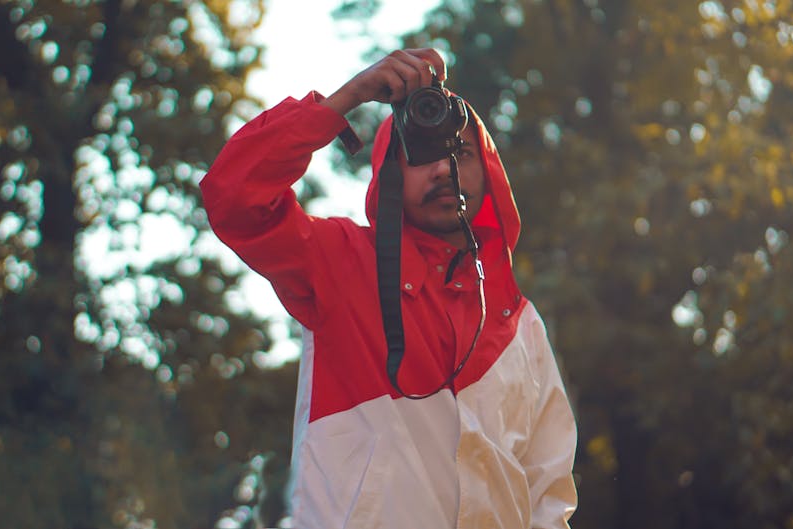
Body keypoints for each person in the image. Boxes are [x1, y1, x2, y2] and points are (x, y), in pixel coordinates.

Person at [200, 48, 577, 529]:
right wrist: (347, 98)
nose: (444, 168)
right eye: (421, 152)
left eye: (460, 151)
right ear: (389, 173)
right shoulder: (337, 262)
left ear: (488, 169)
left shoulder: (521, 322)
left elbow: (549, 491)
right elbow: (234, 196)